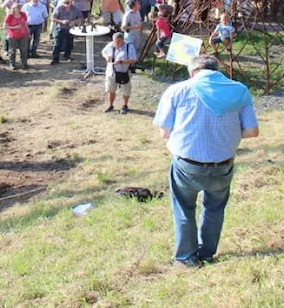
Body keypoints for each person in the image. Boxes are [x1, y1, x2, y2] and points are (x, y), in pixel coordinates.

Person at [153, 54, 259, 266]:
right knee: (215, 208)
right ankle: (207, 253)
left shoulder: (177, 90)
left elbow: (164, 132)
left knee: (184, 208)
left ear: (192, 72)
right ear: (218, 70)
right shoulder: (238, 90)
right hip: (223, 163)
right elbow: (252, 131)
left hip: (187, 164)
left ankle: (186, 258)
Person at [102, 32, 137, 114]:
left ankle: (125, 106)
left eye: (118, 41)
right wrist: (107, 57)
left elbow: (134, 59)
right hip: (111, 72)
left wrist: (121, 61)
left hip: (124, 72)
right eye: (115, 41)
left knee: (126, 89)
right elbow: (103, 52)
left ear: (122, 40)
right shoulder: (111, 45)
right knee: (111, 89)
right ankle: (110, 105)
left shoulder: (129, 46)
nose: (116, 43)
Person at [50, 0, 79, 65]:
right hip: (60, 28)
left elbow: (80, 18)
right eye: (64, 2)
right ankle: (55, 59)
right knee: (57, 44)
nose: (66, 4)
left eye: (68, 2)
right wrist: (61, 21)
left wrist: (74, 22)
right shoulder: (59, 8)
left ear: (71, 2)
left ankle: (67, 55)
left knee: (69, 43)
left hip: (70, 28)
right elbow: (53, 18)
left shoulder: (75, 9)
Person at [3, 3, 30, 70]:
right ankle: (12, 64)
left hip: (23, 34)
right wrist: (14, 27)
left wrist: (28, 32)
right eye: (17, 8)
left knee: (23, 50)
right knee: (12, 50)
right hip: (12, 35)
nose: (18, 9)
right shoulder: (10, 16)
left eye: (19, 8)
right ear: (13, 8)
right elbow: (4, 26)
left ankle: (24, 63)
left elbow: (26, 23)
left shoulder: (23, 14)